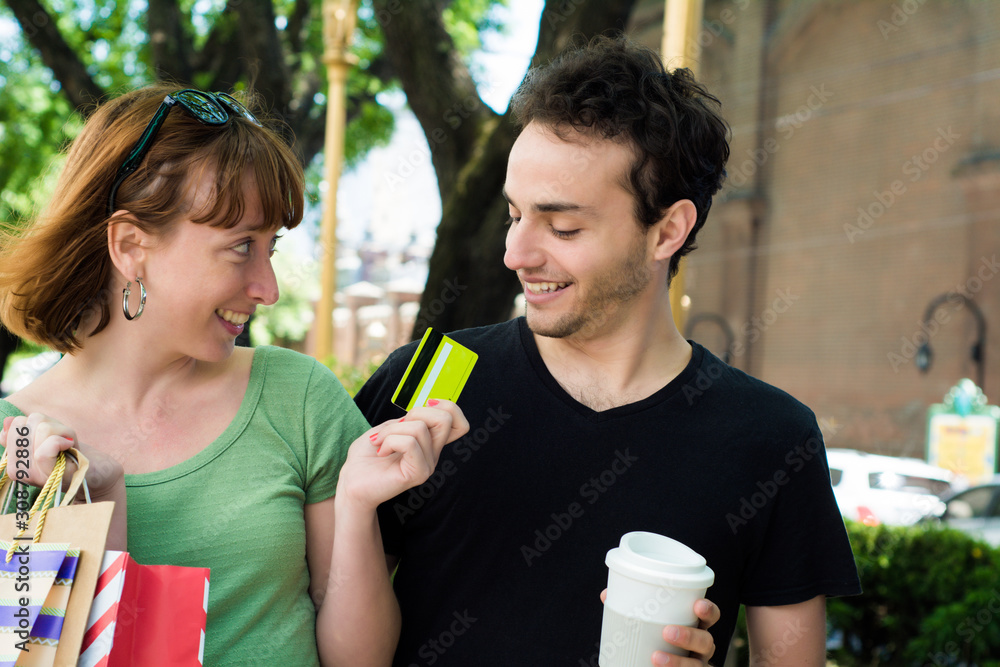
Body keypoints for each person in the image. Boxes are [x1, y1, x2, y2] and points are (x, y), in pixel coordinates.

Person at [352, 36, 861, 665]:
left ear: (668, 230)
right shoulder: (432, 377)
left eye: (563, 227)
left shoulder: (772, 438)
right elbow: (330, 633)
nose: (516, 255)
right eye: (515, 215)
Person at [0, 84, 466, 666]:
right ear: (130, 244)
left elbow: (359, 662)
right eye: (241, 246)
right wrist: (78, 514)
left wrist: (353, 505)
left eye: (270, 247)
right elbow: (36, 655)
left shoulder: (298, 397)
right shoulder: (16, 448)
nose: (267, 289)